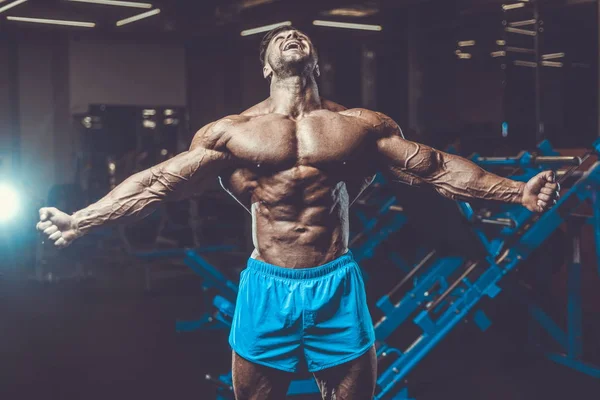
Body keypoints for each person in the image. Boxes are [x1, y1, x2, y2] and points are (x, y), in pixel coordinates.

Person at [36, 26, 560, 399]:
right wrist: (81, 220)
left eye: (301, 35)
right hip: (268, 284)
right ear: (266, 65)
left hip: (336, 280)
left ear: (315, 62)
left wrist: (518, 193)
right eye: (277, 37)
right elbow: (157, 183)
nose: (291, 33)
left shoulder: (360, 125)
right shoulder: (232, 132)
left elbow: (437, 167)